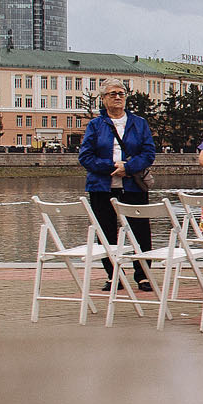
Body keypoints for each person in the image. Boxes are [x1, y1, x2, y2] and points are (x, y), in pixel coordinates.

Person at [77, 82, 158, 293]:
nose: (118, 97)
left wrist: (129, 168)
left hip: (133, 185)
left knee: (139, 231)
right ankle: (113, 276)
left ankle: (143, 276)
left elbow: (149, 153)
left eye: (121, 94)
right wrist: (112, 167)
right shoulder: (95, 125)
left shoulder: (139, 124)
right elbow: (85, 156)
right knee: (106, 232)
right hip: (102, 187)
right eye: (112, 94)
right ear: (103, 99)